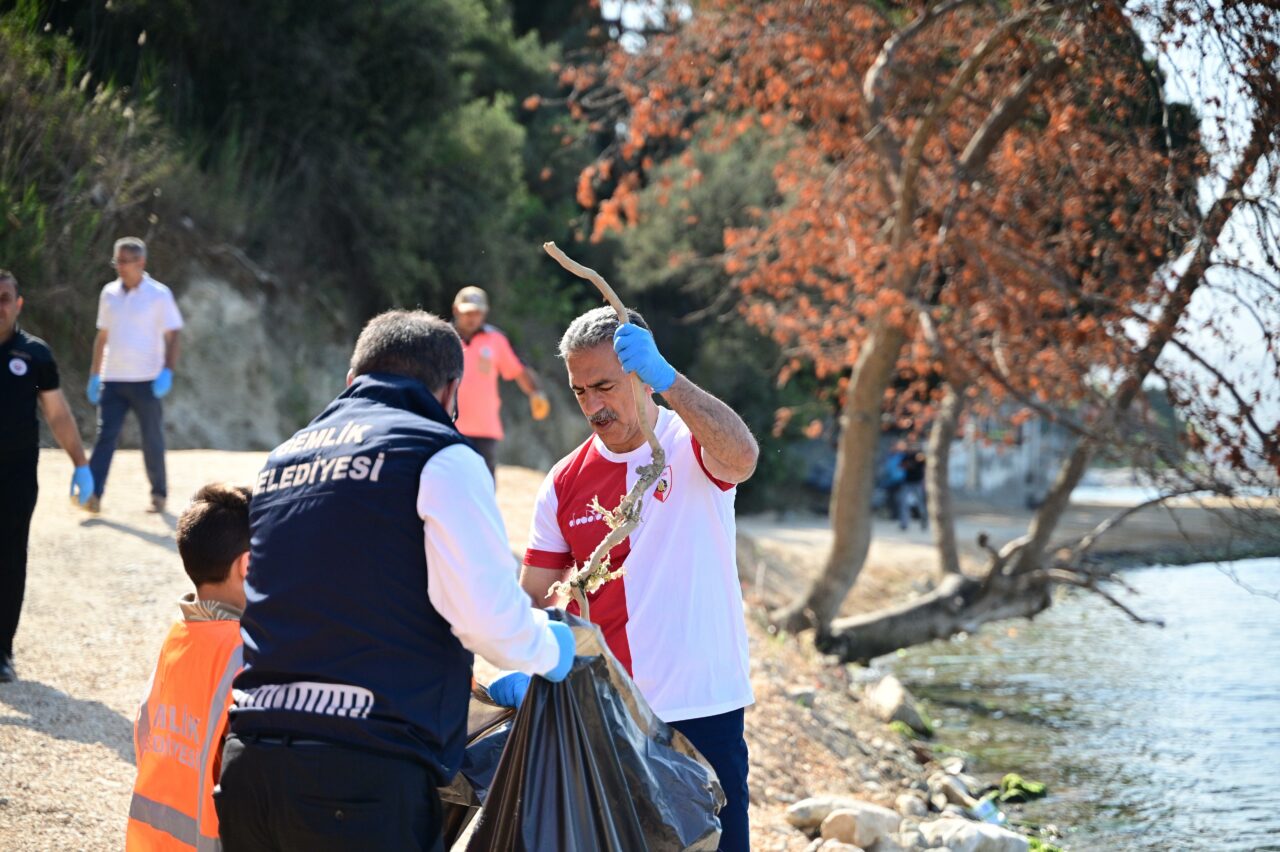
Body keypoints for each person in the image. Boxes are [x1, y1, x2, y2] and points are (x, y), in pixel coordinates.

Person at [215, 310, 575, 851]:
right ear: (451, 389)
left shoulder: (280, 461)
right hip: (360, 779)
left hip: (249, 765)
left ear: (351, 379)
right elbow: (488, 623)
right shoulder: (441, 456)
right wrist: (553, 649)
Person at [519, 307, 759, 852]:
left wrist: (670, 379)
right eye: (581, 392)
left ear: (639, 374)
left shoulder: (690, 443)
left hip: (703, 706)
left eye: (604, 386)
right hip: (608, 716)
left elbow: (742, 458)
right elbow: (532, 596)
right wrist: (522, 656)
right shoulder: (563, 482)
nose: (593, 406)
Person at [127, 483, 251, 851]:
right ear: (247, 565)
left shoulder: (180, 636)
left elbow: (143, 730)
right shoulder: (245, 652)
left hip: (150, 840)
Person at [0, 269, 94, 683]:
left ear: (18, 304)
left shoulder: (35, 354)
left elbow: (57, 414)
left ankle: (1, 650)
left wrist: (81, 463)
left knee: (10, 558)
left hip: (17, 474)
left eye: (4, 298)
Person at [85, 237, 184, 514]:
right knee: (106, 436)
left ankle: (159, 494)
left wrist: (167, 371)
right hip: (112, 379)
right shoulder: (109, 294)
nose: (120, 267)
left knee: (152, 438)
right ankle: (93, 494)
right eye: (117, 260)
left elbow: (174, 334)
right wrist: (95, 375)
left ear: (141, 262)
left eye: (126, 261)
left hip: (147, 381)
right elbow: (102, 336)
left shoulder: (159, 294)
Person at [451, 285, 550, 479]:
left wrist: (536, 393)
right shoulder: (443, 338)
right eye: (467, 312)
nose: (472, 317)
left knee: (484, 483)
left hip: (485, 427)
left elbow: (518, 370)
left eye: (477, 312)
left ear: (485, 313)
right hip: (448, 425)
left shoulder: (495, 340)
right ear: (456, 310)